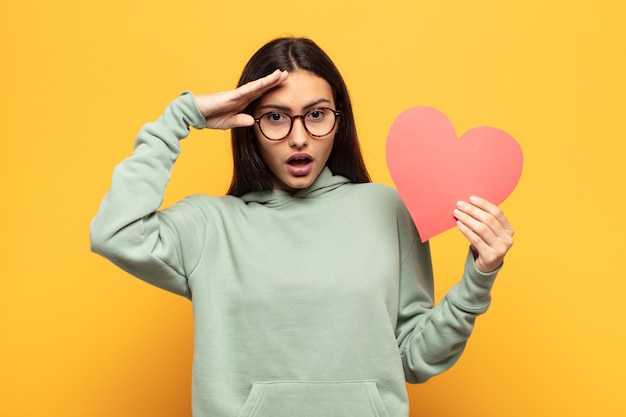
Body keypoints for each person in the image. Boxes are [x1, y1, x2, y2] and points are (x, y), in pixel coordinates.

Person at [90, 37, 514, 417]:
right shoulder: (210, 226)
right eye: (276, 117)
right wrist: (180, 118)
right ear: (247, 124)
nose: (298, 137)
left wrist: (478, 278)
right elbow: (115, 233)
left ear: (338, 119)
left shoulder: (386, 210)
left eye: (316, 114)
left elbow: (413, 357)